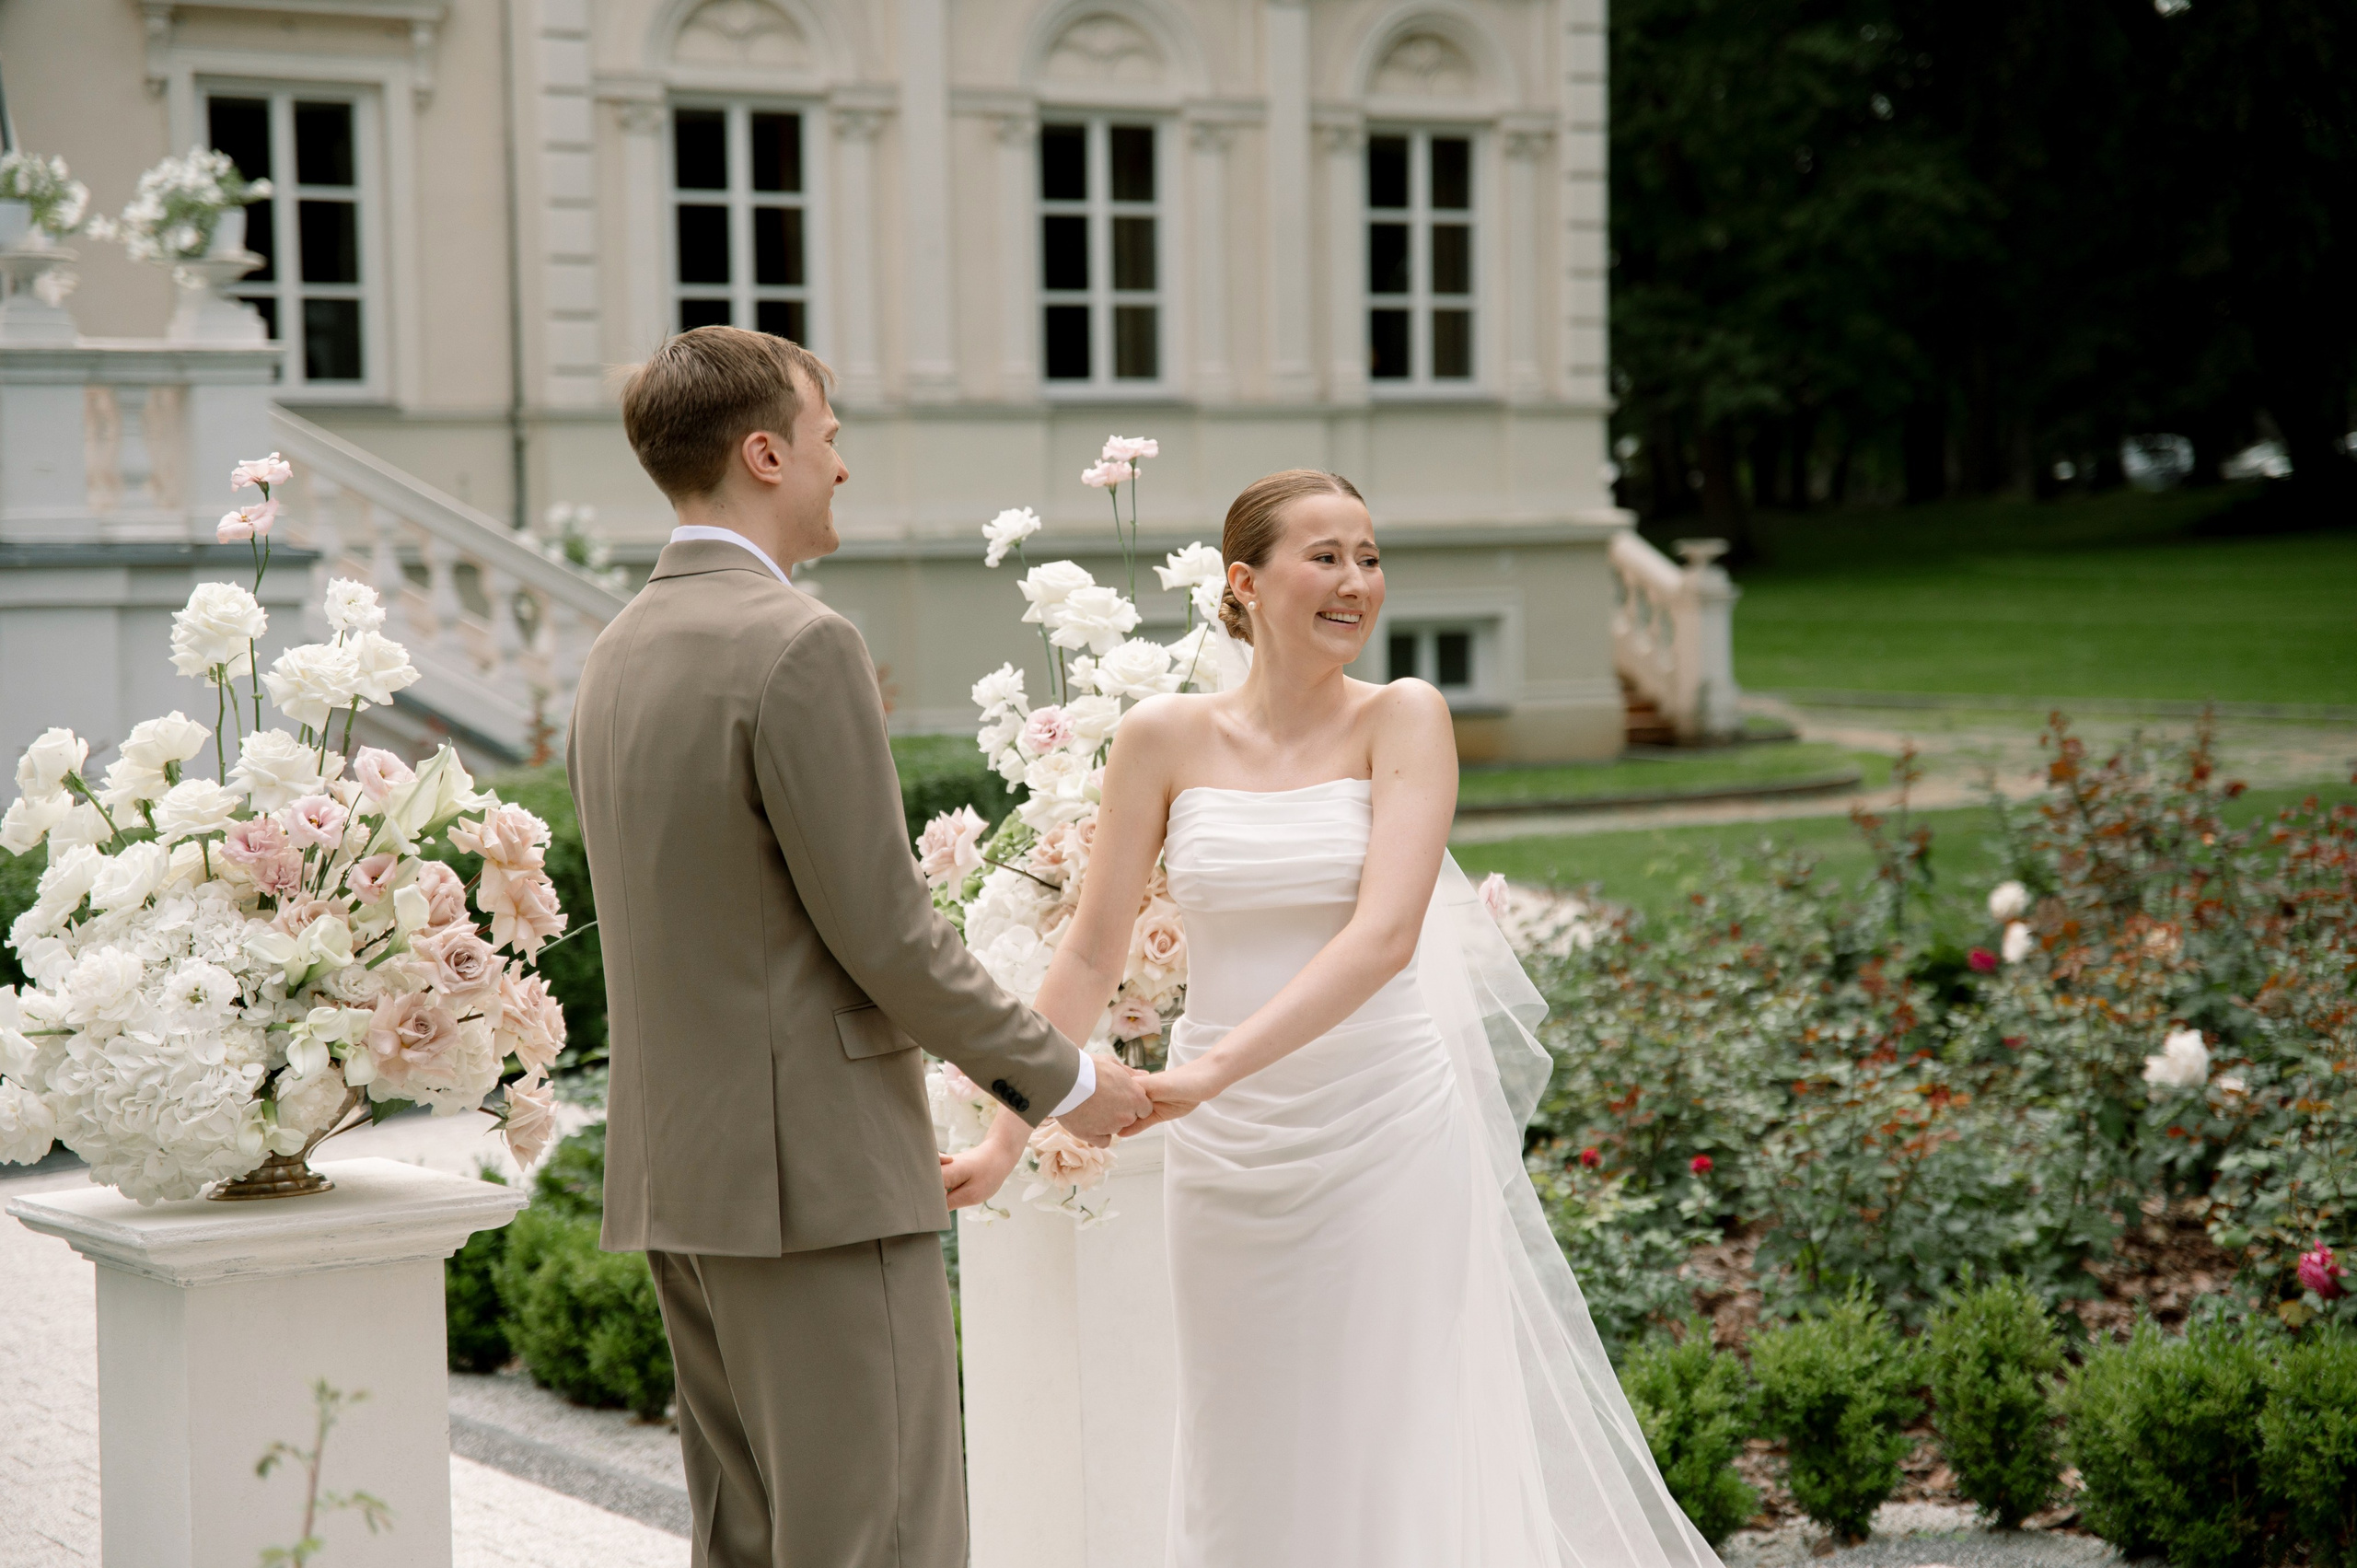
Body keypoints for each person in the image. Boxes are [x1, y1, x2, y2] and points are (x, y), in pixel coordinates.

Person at [941, 469, 1723, 1568]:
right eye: (1326, 557)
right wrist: (1005, 1131)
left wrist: (1209, 1073)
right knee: (1239, 1430)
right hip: (1228, 1155)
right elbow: (1090, 947)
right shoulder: (1163, 736)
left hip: (1382, 1123)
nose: (1356, 581)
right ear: (1244, 584)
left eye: (1368, 556)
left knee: (1391, 1429)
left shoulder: (1404, 716)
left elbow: (1381, 938)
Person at [565, 325, 1152, 1568]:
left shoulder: (616, 651)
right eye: (831, 440)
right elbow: (887, 933)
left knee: (752, 1540)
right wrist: (1070, 1080)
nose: (844, 467)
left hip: (683, 1177)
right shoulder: (800, 642)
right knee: (878, 1537)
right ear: (766, 452)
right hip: (815, 1181)